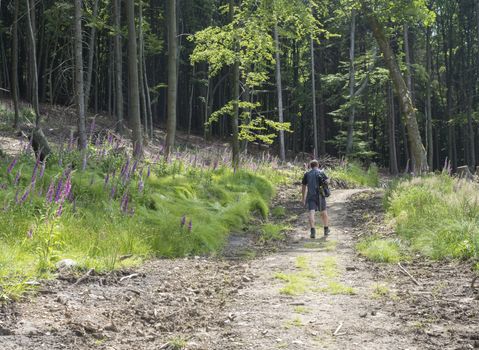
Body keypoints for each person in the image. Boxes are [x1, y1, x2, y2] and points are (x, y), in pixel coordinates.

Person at [301, 159, 330, 238]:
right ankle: (326, 229)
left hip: (310, 196)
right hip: (320, 195)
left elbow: (303, 187)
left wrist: (303, 198)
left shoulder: (307, 174)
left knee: (311, 213)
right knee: (324, 212)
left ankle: (313, 231)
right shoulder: (321, 172)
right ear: (317, 165)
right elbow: (327, 181)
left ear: (310, 166)